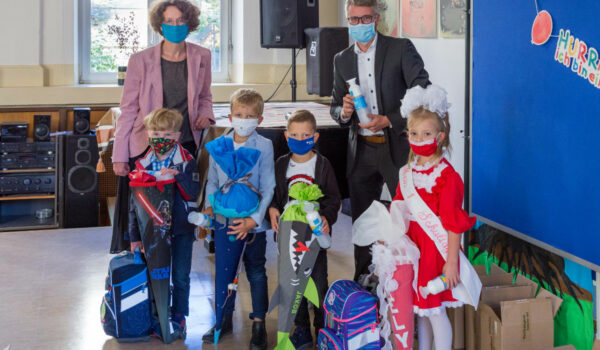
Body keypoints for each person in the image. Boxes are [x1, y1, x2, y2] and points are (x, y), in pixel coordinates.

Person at [330, 0, 430, 281]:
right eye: (353, 19)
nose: (359, 25)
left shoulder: (400, 49)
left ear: (376, 19)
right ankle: (364, 281)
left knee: (410, 216)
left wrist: (388, 119)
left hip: (397, 148)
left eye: (365, 19)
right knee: (363, 223)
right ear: (348, 20)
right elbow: (335, 106)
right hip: (361, 151)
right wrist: (345, 111)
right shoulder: (341, 59)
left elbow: (422, 89)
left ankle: (414, 280)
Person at [111, 0, 214, 253]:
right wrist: (119, 156)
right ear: (160, 26)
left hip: (184, 144)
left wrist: (205, 114)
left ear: (189, 23)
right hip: (147, 145)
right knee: (148, 216)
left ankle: (178, 266)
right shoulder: (140, 60)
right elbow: (127, 111)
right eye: (169, 21)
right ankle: (149, 269)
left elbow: (205, 97)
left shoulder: (202, 56)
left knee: (179, 214)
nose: (175, 25)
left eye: (180, 20)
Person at [393, 85, 476, 350]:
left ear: (440, 136)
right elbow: (398, 207)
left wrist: (452, 262)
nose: (419, 139)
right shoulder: (407, 172)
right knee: (421, 311)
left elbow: (454, 224)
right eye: (414, 133)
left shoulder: (448, 176)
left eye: (426, 134)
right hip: (413, 248)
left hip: (435, 252)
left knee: (436, 311)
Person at [202, 89, 274, 350]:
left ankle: (258, 324)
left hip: (253, 222)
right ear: (230, 116)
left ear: (259, 119)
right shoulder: (219, 144)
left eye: (250, 116)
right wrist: (212, 207)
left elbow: (268, 187)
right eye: (239, 115)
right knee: (225, 271)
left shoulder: (264, 146)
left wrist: (254, 220)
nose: (244, 119)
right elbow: (211, 181)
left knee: (255, 271)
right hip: (224, 220)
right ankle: (223, 318)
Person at [268, 110, 341, 349]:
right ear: (286, 136)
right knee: (293, 283)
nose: (300, 140)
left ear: (316, 137)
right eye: (295, 135)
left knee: (318, 282)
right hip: (288, 237)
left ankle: (321, 327)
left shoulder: (322, 165)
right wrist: (272, 208)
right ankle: (301, 329)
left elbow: (333, 198)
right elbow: (274, 196)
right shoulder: (280, 165)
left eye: (306, 135)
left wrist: (327, 217)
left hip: (314, 238)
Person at [128, 108, 201, 334]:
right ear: (148, 134)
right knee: (156, 275)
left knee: (180, 275)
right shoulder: (142, 164)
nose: (161, 139)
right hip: (152, 232)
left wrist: (178, 176)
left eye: (167, 135)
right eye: (156, 134)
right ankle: (157, 315)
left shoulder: (187, 161)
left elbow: (193, 192)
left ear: (177, 136)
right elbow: (135, 204)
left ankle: (179, 317)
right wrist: (134, 236)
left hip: (181, 229)